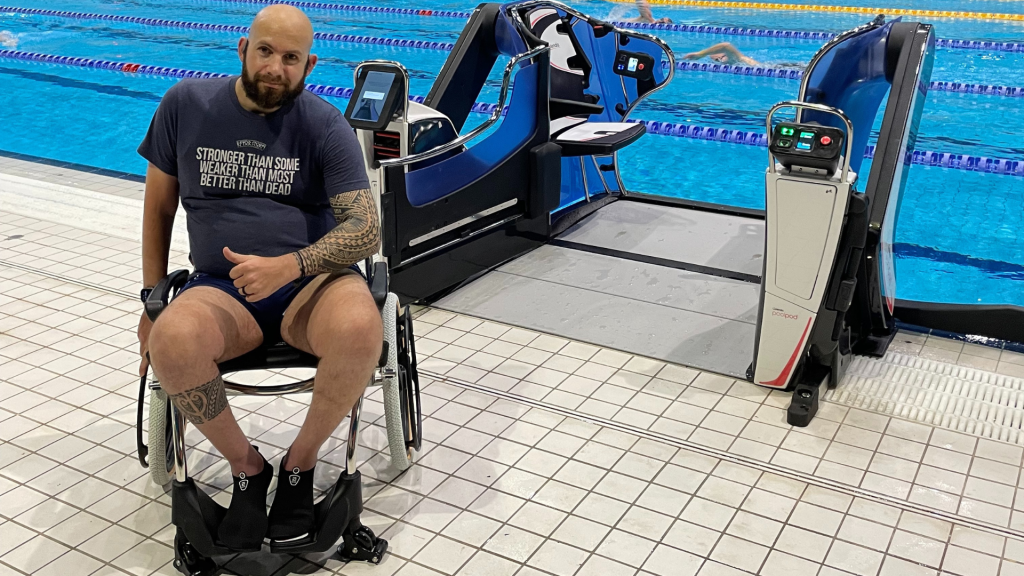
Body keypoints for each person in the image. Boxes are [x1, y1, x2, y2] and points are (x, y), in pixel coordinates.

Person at [136, 4, 382, 550]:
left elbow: (367, 231)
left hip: (311, 285)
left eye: (291, 58)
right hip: (221, 290)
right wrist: (152, 301)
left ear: (309, 65)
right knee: (172, 339)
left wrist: (291, 266)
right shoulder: (185, 105)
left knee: (363, 327)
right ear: (243, 49)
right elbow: (158, 209)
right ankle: (249, 468)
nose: (276, 67)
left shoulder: (323, 124)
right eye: (266, 51)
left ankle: (299, 464)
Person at [684, 42, 765, 67]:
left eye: (713, 52)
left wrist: (700, 54)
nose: (711, 55)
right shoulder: (730, 62)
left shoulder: (733, 58)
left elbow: (725, 46)